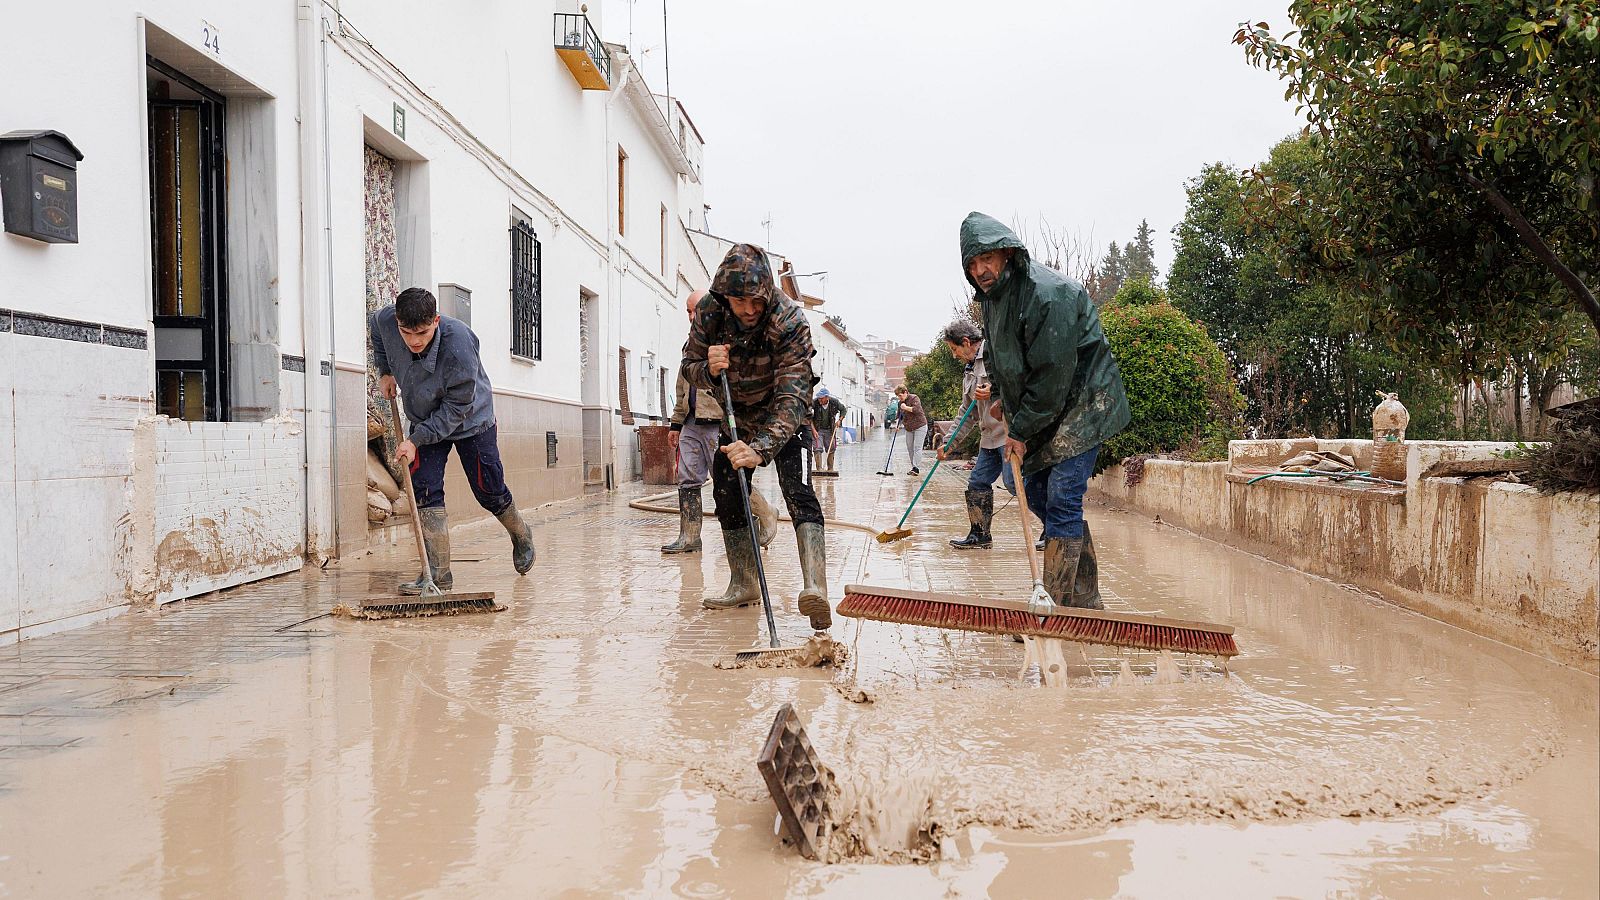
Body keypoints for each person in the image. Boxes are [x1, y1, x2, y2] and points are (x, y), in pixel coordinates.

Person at [959, 212, 1130, 609]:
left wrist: (1018, 431)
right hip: (1046, 407)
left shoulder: (1047, 294)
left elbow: (1052, 376)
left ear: (1006, 253)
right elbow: (1002, 358)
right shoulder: (993, 301)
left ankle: (1053, 604)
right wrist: (1000, 394)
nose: (981, 270)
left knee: (1062, 496)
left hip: (1084, 403)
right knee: (1026, 484)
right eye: (972, 262)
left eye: (987, 258)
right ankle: (1085, 597)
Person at [680, 244, 831, 631]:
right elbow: (689, 365)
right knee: (727, 486)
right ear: (724, 296)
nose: (747, 309)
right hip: (736, 415)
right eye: (738, 301)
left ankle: (816, 586)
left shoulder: (789, 319)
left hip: (785, 415)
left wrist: (761, 449)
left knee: (796, 488)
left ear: (767, 293)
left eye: (755, 301)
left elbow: (793, 394)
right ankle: (744, 581)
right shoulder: (711, 314)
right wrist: (709, 371)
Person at [370, 287, 536, 593]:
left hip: (470, 418)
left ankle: (520, 532)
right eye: (407, 333)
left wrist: (414, 440)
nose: (414, 341)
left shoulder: (459, 343)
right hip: (424, 413)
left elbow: (457, 407)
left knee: (489, 489)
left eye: (421, 332)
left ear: (435, 320)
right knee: (424, 489)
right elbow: (377, 330)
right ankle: (438, 575)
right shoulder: (386, 320)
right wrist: (385, 371)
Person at [663, 290, 776, 554]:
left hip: (718, 421)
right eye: (688, 312)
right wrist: (676, 423)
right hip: (691, 420)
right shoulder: (692, 343)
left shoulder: (728, 338)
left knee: (728, 480)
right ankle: (689, 536)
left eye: (695, 311)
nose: (692, 317)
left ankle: (765, 516)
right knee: (687, 477)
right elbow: (683, 385)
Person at [935, 319, 1015, 549]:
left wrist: (995, 389)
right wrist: (949, 443)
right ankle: (980, 535)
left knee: (1013, 483)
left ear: (967, 342)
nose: (954, 355)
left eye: (954, 349)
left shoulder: (995, 354)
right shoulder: (969, 371)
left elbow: (1017, 382)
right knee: (977, 482)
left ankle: (1054, 528)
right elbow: (966, 413)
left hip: (1009, 433)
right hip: (989, 438)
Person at [894, 384, 929, 476]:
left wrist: (906, 408)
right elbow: (899, 416)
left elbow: (917, 410)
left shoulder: (914, 398)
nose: (899, 398)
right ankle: (913, 466)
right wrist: (897, 424)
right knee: (910, 448)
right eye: (898, 396)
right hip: (909, 428)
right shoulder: (900, 403)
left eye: (900, 395)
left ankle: (916, 468)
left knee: (917, 447)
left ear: (905, 392)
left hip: (920, 426)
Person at [811, 387, 847, 471]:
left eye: (822, 398)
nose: (820, 400)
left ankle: (830, 469)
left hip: (830, 429)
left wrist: (839, 420)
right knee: (817, 448)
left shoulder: (834, 402)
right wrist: (813, 430)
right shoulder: (814, 403)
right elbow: (808, 416)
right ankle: (819, 469)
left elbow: (843, 410)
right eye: (819, 398)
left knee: (831, 448)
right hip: (817, 430)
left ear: (827, 397)